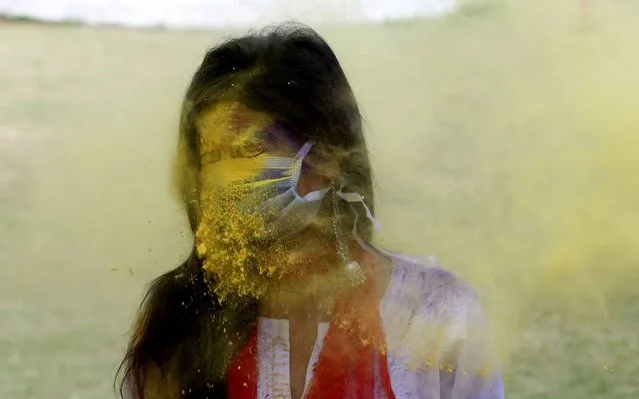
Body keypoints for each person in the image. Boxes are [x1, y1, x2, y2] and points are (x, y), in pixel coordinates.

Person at [117, 23, 505, 399]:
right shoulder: (176, 323)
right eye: (213, 157)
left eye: (251, 151)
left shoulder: (436, 314)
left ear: (326, 158)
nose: (228, 180)